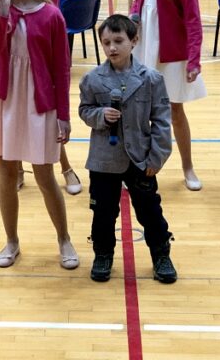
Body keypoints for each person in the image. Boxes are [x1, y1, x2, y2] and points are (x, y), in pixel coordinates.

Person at [0, 0, 78, 270]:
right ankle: (11, 241)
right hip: (5, 97)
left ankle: (64, 239)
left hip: (39, 99)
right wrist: (4, 10)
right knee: (7, 173)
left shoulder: (51, 15)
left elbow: (61, 69)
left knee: (44, 174)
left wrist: (63, 115)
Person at [79, 14, 177, 283]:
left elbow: (162, 121)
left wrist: (156, 157)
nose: (112, 48)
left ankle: (161, 254)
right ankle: (102, 254)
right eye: (106, 42)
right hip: (104, 159)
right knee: (103, 212)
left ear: (134, 41)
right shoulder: (92, 79)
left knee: (150, 211)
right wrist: (100, 115)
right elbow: (85, 110)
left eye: (118, 41)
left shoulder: (151, 79)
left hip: (141, 158)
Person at [130, 0, 206, 191]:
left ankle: (188, 168)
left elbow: (193, 19)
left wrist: (194, 60)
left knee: (175, 110)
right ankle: (139, 167)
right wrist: (133, 18)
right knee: (139, 111)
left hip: (172, 53)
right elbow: (137, 2)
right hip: (143, 48)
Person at [18, 0, 82, 195]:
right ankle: (17, 169)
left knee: (48, 120)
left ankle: (65, 168)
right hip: (17, 53)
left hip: (41, 54)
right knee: (17, 117)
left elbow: (50, 14)